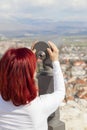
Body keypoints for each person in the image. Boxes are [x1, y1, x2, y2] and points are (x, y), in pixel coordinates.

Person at [0, 41, 65, 130]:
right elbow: (60, 92)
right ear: (29, 75)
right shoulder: (39, 106)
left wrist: (27, 60)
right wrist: (55, 61)